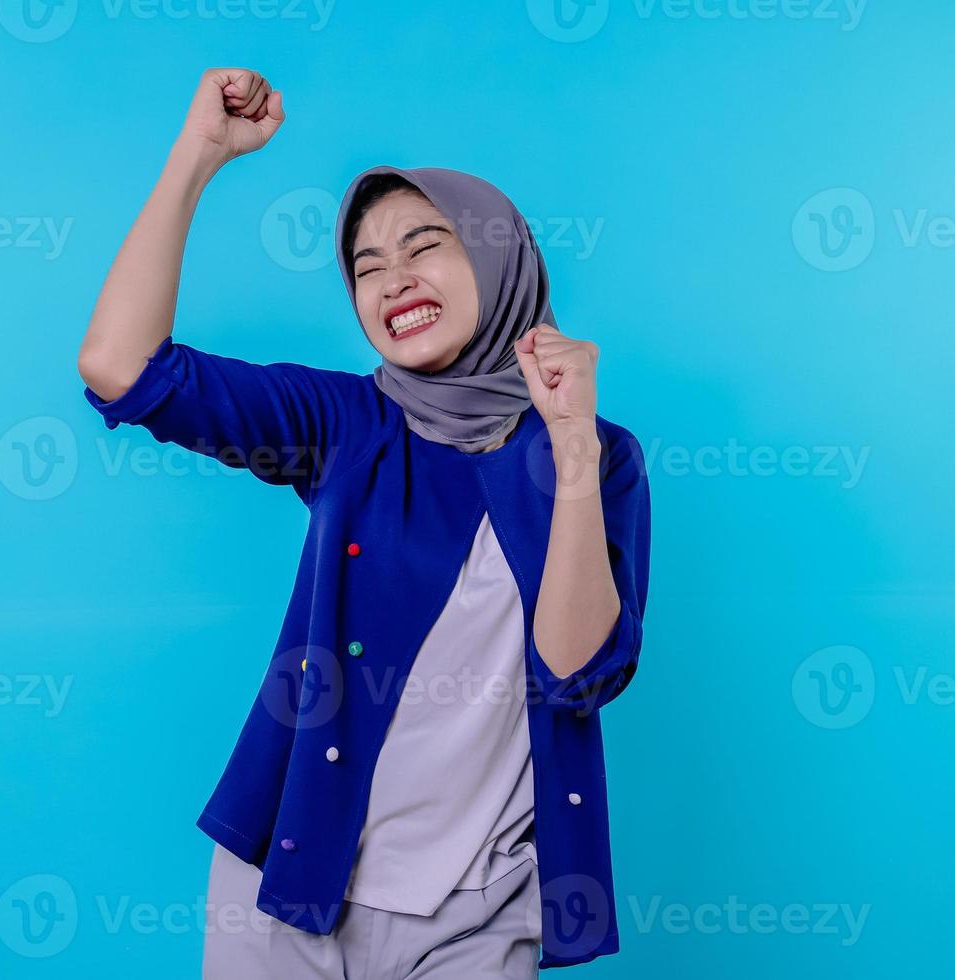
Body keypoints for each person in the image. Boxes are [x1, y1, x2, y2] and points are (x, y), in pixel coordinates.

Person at [76, 67, 651, 977]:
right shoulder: (349, 425)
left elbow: (581, 673)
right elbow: (120, 366)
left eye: (425, 245)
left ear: (499, 257)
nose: (393, 280)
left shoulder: (597, 453)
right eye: (366, 266)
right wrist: (199, 157)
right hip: (292, 876)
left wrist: (569, 443)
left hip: (484, 901)